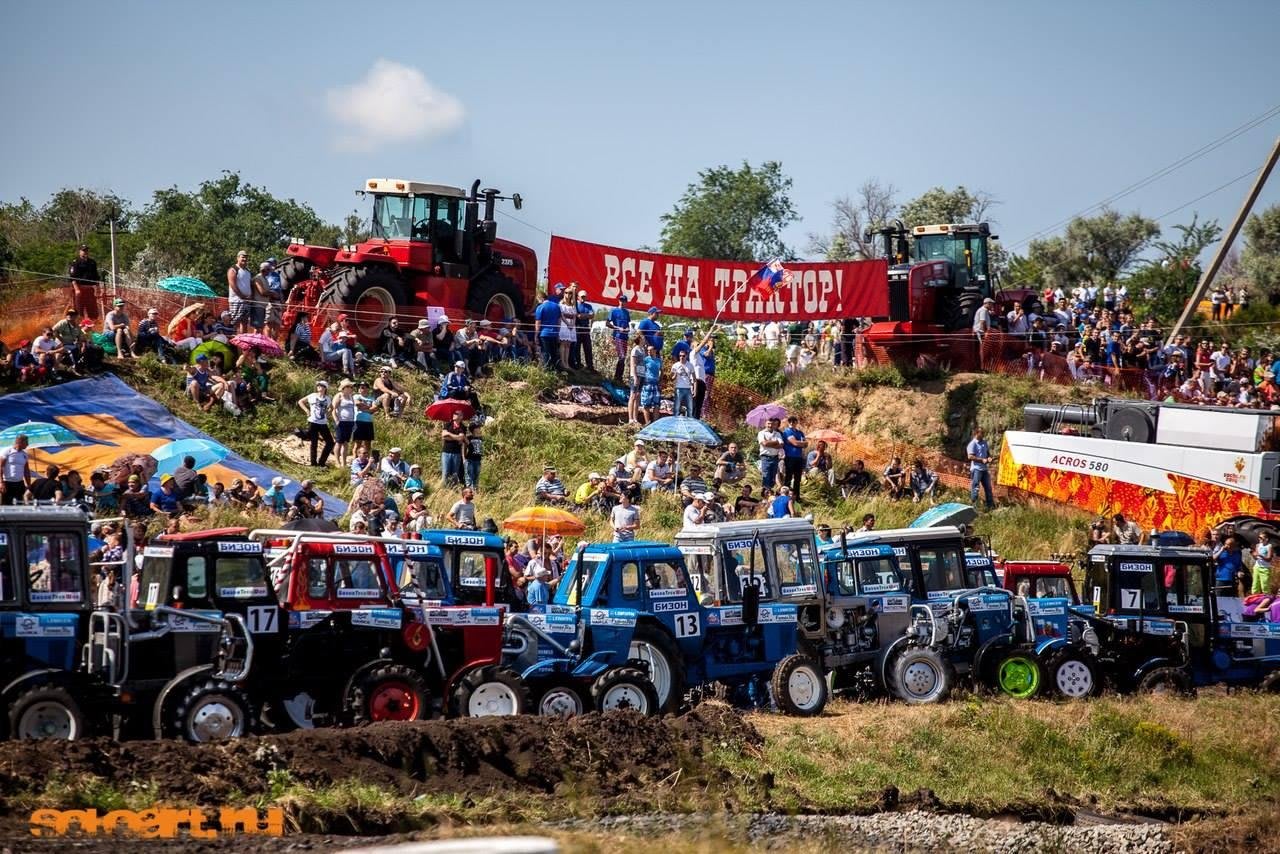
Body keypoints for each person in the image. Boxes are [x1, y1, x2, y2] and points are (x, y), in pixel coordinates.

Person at [297, 379, 335, 467]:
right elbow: (300, 401)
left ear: (325, 388)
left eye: (321, 385)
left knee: (330, 442)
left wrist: (328, 413)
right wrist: (307, 410)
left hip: (323, 423)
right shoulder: (312, 395)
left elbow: (331, 407)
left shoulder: (328, 398)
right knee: (314, 443)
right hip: (313, 421)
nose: (318, 387)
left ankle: (322, 462)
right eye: (318, 385)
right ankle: (313, 463)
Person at [67, 244, 101, 320]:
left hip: (90, 290)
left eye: (86, 250)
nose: (85, 252)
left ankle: (92, 326)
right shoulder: (75, 262)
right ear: (79, 251)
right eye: (83, 250)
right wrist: (77, 289)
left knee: (93, 311)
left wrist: (98, 287)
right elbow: (72, 277)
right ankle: (80, 327)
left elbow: (96, 276)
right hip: (80, 290)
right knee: (79, 311)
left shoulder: (92, 262)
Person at [331, 379, 359, 470]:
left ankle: (344, 462)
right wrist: (336, 421)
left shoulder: (351, 397)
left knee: (346, 442)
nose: (351, 388)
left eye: (351, 387)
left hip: (350, 422)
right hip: (341, 421)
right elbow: (333, 409)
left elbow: (353, 410)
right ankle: (337, 461)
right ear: (344, 388)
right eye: (349, 387)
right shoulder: (339, 395)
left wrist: (354, 421)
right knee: (339, 442)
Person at [534, 287, 563, 370]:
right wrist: (557, 333)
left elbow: (538, 322)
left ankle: (546, 371)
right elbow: (559, 321)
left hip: (544, 333)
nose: (538, 302)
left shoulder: (540, 307)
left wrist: (536, 335)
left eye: (538, 300)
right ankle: (554, 370)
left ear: (541, 298)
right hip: (554, 333)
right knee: (554, 353)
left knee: (545, 353)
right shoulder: (556, 306)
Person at [966, 427, 995, 510]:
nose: (983, 434)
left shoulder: (984, 442)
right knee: (975, 487)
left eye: (983, 433)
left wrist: (989, 458)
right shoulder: (972, 444)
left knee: (988, 488)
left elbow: (988, 453)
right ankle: (973, 506)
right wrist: (982, 460)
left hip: (984, 469)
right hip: (976, 469)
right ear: (976, 433)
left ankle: (991, 506)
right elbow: (970, 456)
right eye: (981, 433)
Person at [226, 250, 255, 334]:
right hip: (236, 301)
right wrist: (241, 296)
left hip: (247, 301)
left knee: (245, 322)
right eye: (243, 257)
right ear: (238, 258)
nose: (244, 259)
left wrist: (250, 296)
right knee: (235, 322)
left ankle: (243, 342)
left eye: (246, 257)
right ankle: (234, 343)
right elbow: (232, 284)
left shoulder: (248, 271)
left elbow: (250, 284)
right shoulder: (233, 269)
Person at [1, 434, 33, 505]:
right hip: (7, 483)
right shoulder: (7, 451)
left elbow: (26, 471)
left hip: (19, 483)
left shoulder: (25, 454)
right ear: (19, 441)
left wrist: (28, 485)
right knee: (7, 505)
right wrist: (1, 483)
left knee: (19, 504)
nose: (27, 444)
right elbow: (0, 467)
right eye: (26, 442)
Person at [608, 294, 631, 384]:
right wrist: (617, 328)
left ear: (626, 302)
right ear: (619, 301)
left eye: (624, 300)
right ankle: (617, 377)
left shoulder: (627, 312)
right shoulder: (614, 310)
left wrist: (628, 329)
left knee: (623, 358)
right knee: (621, 356)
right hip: (617, 336)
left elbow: (628, 324)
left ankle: (619, 378)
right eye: (621, 300)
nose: (622, 302)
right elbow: (607, 323)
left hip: (625, 337)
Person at [757, 416, 784, 491]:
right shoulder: (761, 433)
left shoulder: (777, 434)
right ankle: (765, 495)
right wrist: (776, 442)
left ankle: (770, 494)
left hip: (775, 458)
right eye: (768, 423)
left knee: (773, 477)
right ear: (765, 424)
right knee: (766, 476)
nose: (770, 425)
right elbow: (764, 443)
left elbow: (781, 445)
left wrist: (769, 443)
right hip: (766, 458)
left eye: (772, 424)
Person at [353, 380, 377, 458]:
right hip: (358, 421)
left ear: (367, 389)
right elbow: (357, 403)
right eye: (360, 387)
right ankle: (355, 460)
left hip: (368, 422)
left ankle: (367, 460)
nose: (361, 388)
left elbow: (375, 408)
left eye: (363, 387)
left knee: (368, 443)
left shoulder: (372, 398)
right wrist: (369, 408)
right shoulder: (356, 396)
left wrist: (364, 409)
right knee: (358, 443)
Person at [441, 412, 466, 485]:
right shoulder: (448, 424)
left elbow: (461, 438)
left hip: (457, 453)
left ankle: (453, 490)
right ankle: (444, 490)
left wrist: (449, 434)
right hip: (446, 452)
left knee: (454, 473)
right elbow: (444, 436)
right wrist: (456, 437)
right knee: (445, 472)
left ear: (461, 416)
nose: (454, 415)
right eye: (454, 413)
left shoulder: (463, 427)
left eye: (456, 414)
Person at [626, 332, 646, 425]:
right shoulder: (635, 350)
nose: (644, 339)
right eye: (643, 338)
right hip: (635, 375)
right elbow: (633, 363)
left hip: (642, 374)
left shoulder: (642, 349)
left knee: (638, 396)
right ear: (640, 339)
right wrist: (634, 376)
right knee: (633, 395)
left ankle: (635, 418)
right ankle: (630, 418)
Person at [640, 344, 662, 424]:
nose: (649, 352)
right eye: (648, 350)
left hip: (656, 384)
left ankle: (655, 423)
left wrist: (660, 382)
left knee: (657, 404)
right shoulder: (645, 360)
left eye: (650, 350)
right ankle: (647, 423)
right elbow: (641, 370)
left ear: (655, 351)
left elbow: (661, 371)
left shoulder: (659, 360)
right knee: (646, 404)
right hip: (647, 384)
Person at [670, 350, 694, 416]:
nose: (681, 357)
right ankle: (675, 423)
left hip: (688, 389)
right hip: (678, 388)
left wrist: (694, 389)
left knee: (690, 408)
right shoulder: (675, 365)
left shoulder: (690, 365)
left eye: (683, 356)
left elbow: (694, 379)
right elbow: (671, 378)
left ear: (686, 356)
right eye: (680, 356)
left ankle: (690, 423)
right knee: (676, 408)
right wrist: (675, 375)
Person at [1252, 530, 1273, 595]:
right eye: (1259, 537)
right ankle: (1255, 599)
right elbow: (1255, 558)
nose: (1259, 539)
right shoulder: (1258, 545)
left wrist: (1260, 555)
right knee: (1255, 585)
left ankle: (1267, 599)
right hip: (1257, 567)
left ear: (1266, 539)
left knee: (1265, 585)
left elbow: (1269, 559)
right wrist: (1254, 555)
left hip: (1265, 568)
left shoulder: (1269, 546)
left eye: (1261, 537)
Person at [464, 421, 484, 489]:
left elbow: (482, 448)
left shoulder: (481, 438)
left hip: (478, 460)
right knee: (469, 476)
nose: (479, 429)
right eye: (477, 427)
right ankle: (469, 490)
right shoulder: (469, 437)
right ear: (473, 429)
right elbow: (464, 448)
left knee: (476, 476)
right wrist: (464, 458)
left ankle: (475, 490)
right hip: (470, 459)